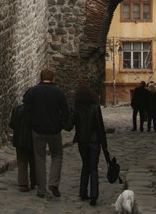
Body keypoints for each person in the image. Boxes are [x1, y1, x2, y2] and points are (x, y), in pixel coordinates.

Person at [23, 68, 72, 199]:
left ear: (40, 78)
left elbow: (26, 110)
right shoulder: (59, 92)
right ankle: (53, 183)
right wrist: (61, 124)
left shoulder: (33, 92)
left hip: (37, 130)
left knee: (39, 158)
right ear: (52, 78)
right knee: (57, 155)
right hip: (54, 130)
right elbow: (66, 111)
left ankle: (41, 189)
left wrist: (31, 124)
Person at [73, 86, 108, 206]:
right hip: (94, 140)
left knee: (85, 165)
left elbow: (71, 124)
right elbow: (100, 127)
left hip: (82, 140)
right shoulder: (95, 108)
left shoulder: (76, 109)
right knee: (93, 167)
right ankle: (94, 194)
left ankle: (83, 192)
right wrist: (105, 145)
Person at [9, 97, 36, 192]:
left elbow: (11, 124)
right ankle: (34, 181)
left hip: (19, 139)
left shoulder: (17, 109)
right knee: (33, 161)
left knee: (21, 161)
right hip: (31, 140)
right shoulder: (35, 111)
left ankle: (23, 183)